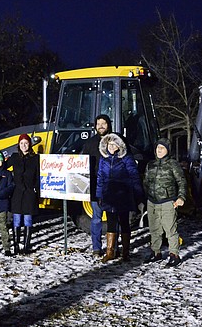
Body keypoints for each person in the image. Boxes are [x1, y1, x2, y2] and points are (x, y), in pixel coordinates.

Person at [96, 132, 143, 262]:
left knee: (124, 222)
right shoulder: (103, 159)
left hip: (123, 194)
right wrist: (99, 194)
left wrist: (138, 193)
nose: (111, 147)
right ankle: (110, 251)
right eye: (110, 144)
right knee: (111, 222)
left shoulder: (126, 158)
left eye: (114, 144)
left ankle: (125, 252)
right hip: (108, 194)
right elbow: (100, 177)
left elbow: (134, 175)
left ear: (119, 146)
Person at [143, 137, 187, 268]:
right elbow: (145, 182)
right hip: (152, 201)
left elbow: (182, 182)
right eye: (158, 148)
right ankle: (156, 252)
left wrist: (181, 197)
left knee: (170, 230)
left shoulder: (173, 164)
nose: (159, 150)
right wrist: (147, 195)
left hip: (168, 202)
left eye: (162, 148)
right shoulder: (150, 164)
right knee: (154, 229)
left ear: (167, 150)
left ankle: (174, 255)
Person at [80, 114, 112, 256]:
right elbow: (82, 164)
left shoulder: (115, 140)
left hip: (112, 186)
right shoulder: (90, 143)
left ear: (108, 125)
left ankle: (112, 248)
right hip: (94, 186)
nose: (101, 126)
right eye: (98, 123)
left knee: (112, 218)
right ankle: (96, 248)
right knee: (96, 218)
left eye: (103, 123)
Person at [7, 133, 39, 254]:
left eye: (26, 143)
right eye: (22, 143)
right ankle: (15, 245)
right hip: (17, 192)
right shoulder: (15, 157)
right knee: (16, 219)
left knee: (27, 219)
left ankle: (26, 245)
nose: (24, 145)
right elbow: (2, 167)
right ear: (18, 145)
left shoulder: (35, 158)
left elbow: (39, 175)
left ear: (30, 144)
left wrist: (37, 190)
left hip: (30, 193)